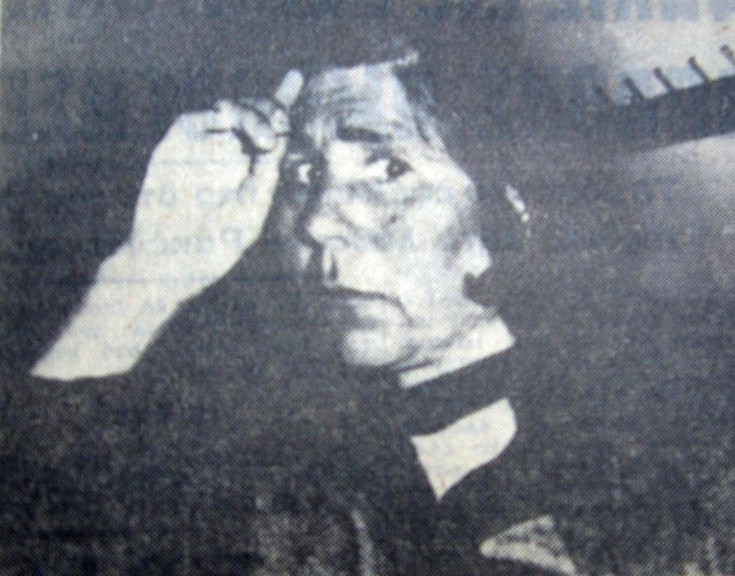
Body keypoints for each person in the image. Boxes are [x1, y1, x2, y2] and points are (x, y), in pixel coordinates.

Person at [16, 50, 730, 576]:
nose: (316, 220)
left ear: (510, 210)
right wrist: (145, 274)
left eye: (388, 169)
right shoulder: (262, 490)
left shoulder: (688, 466)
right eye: (302, 174)